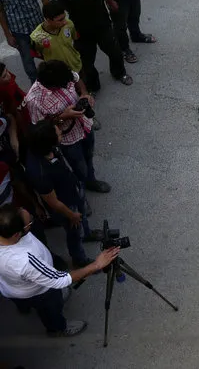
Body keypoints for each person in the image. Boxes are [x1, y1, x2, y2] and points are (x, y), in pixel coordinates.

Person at [0, 204, 119, 336]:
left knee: (23, 301)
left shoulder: (7, 236)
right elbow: (60, 280)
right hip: (39, 292)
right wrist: (97, 265)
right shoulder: (23, 261)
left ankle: (24, 307)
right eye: (30, 223)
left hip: (10, 287)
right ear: (16, 234)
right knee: (51, 309)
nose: (32, 221)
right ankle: (57, 328)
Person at [25, 119, 103, 268]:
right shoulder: (40, 172)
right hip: (65, 206)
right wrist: (71, 215)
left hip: (71, 190)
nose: (61, 133)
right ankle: (79, 259)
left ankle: (86, 233)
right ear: (48, 142)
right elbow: (53, 202)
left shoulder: (46, 149)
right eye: (58, 133)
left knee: (81, 217)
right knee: (74, 232)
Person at [25, 60, 111, 195]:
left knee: (89, 156)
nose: (68, 85)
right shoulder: (34, 100)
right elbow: (42, 130)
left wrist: (84, 93)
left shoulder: (61, 72)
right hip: (68, 140)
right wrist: (63, 117)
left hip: (85, 126)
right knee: (79, 167)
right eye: (63, 85)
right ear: (52, 86)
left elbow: (77, 79)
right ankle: (81, 192)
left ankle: (91, 180)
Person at [57, 0, 133, 91]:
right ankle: (92, 85)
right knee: (86, 62)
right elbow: (62, 15)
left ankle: (119, 73)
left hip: (103, 25)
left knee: (115, 51)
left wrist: (112, 4)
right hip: (82, 31)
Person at [0, 0, 50, 83]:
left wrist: (49, 20)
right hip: (19, 32)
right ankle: (36, 86)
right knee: (28, 63)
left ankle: (54, 82)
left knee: (49, 57)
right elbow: (1, 12)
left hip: (38, 26)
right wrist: (8, 35)